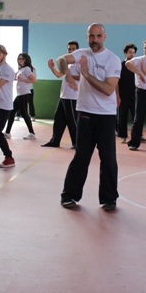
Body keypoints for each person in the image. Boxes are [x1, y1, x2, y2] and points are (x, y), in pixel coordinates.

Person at [54, 23, 121, 211]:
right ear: (87, 37)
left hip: (106, 116)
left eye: (99, 36)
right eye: (92, 36)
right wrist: (67, 74)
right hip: (85, 113)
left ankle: (109, 198)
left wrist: (86, 74)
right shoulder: (82, 54)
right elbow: (61, 59)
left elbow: (108, 90)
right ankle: (69, 195)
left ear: (105, 37)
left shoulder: (112, 60)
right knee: (81, 156)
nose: (95, 40)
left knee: (107, 158)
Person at [42, 41, 81, 148]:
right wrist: (52, 68)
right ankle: (55, 141)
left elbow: (83, 78)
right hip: (64, 96)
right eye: (69, 49)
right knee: (58, 119)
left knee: (72, 121)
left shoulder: (78, 64)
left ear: (77, 50)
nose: (71, 51)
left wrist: (70, 76)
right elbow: (59, 75)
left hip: (72, 97)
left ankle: (77, 143)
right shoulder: (66, 64)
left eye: (73, 49)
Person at [5, 53, 37, 139]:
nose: (20, 60)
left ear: (26, 60)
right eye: (19, 59)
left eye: (22, 59)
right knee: (12, 112)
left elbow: (34, 80)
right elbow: (13, 76)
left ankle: (32, 133)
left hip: (24, 94)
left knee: (24, 113)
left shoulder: (26, 69)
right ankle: (7, 132)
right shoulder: (21, 69)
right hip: (20, 94)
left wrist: (22, 79)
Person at [117, 43, 138, 142]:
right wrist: (118, 96)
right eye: (130, 52)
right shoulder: (120, 65)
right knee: (123, 115)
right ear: (125, 53)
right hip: (123, 95)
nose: (132, 54)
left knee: (136, 116)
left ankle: (137, 135)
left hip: (135, 95)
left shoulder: (136, 65)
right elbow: (117, 81)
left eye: (133, 52)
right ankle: (123, 136)